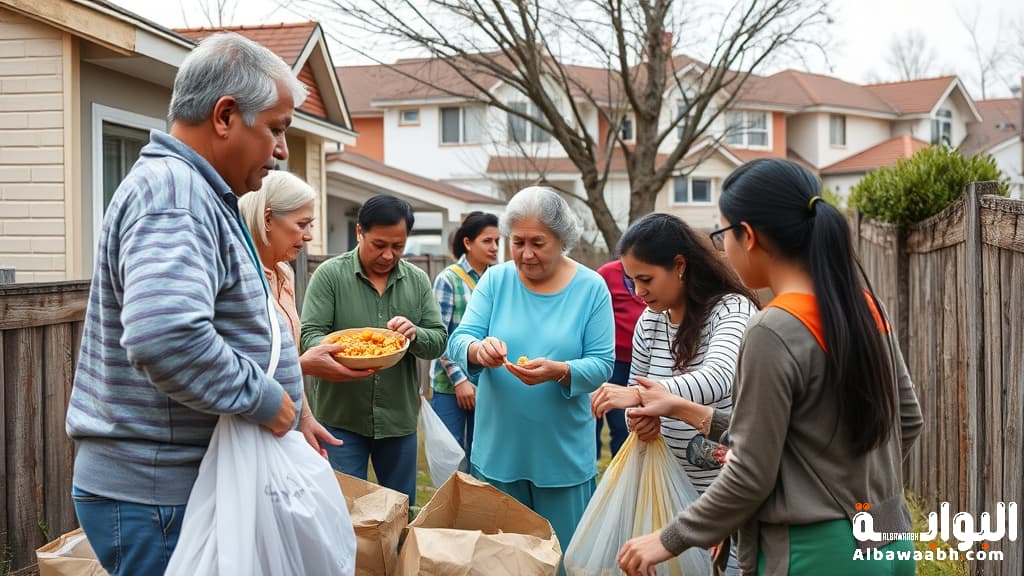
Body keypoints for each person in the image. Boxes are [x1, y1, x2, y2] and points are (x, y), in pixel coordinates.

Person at [66, 33, 309, 576]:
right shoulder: (175, 197)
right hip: (159, 496)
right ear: (225, 116)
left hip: (178, 490)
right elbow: (166, 336)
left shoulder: (196, 191)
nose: (282, 149)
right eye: (276, 128)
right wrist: (268, 401)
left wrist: (294, 406)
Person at [617, 158, 923, 576]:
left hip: (813, 553)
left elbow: (750, 474)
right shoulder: (865, 306)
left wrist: (667, 538)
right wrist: (857, 494)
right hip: (890, 539)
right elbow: (907, 419)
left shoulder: (773, 328)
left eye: (723, 234)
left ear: (748, 236)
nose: (722, 247)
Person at [446, 186, 614, 562]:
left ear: (562, 240)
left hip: (562, 456)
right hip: (498, 451)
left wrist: (562, 371)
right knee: (501, 560)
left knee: (562, 558)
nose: (525, 253)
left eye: (538, 243)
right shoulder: (495, 280)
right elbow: (460, 340)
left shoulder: (591, 288)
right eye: (517, 241)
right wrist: (478, 350)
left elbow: (602, 363)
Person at [591, 213, 758, 492]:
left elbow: (718, 378)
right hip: (665, 489)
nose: (639, 292)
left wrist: (640, 395)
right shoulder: (650, 320)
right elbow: (637, 393)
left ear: (679, 265)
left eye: (646, 279)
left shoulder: (731, 309)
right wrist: (639, 419)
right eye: (632, 282)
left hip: (724, 492)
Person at [300, 195, 447, 504]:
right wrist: (341, 351)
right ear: (359, 233)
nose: (388, 255)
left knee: (399, 508)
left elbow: (437, 340)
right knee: (344, 509)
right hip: (340, 417)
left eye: (398, 246)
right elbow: (310, 335)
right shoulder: (330, 275)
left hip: (398, 419)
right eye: (379, 245)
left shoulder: (417, 281)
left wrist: (414, 334)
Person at [238, 170, 379, 455]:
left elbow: (285, 351)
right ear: (267, 219)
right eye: (302, 224)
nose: (309, 235)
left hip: (282, 426)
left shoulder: (284, 274)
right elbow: (241, 369)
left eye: (311, 224)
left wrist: (305, 419)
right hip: (248, 432)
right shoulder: (241, 278)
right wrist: (303, 365)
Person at [430, 211, 500, 462]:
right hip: (450, 387)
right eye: (487, 241)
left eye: (497, 241)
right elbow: (440, 336)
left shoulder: (499, 280)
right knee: (450, 459)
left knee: (482, 458)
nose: (494, 247)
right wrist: (460, 380)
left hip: (489, 385)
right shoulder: (448, 279)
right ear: (468, 243)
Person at [594, 259, 647, 460]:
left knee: (623, 423)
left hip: (638, 363)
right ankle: (592, 463)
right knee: (595, 413)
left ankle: (622, 466)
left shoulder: (653, 271)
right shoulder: (606, 274)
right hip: (610, 362)